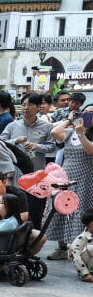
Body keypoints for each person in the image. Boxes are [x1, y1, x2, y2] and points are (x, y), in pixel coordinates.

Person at [46, 108, 93, 260]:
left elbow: (90, 150)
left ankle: (79, 248)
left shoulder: (82, 134)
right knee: (62, 207)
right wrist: (69, 119)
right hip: (66, 177)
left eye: (90, 114)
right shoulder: (70, 132)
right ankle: (61, 248)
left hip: (86, 178)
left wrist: (81, 133)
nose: (86, 116)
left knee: (81, 209)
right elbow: (54, 133)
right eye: (84, 113)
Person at [69, 210, 93, 282]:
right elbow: (75, 256)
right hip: (88, 266)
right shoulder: (82, 238)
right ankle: (86, 273)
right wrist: (85, 273)